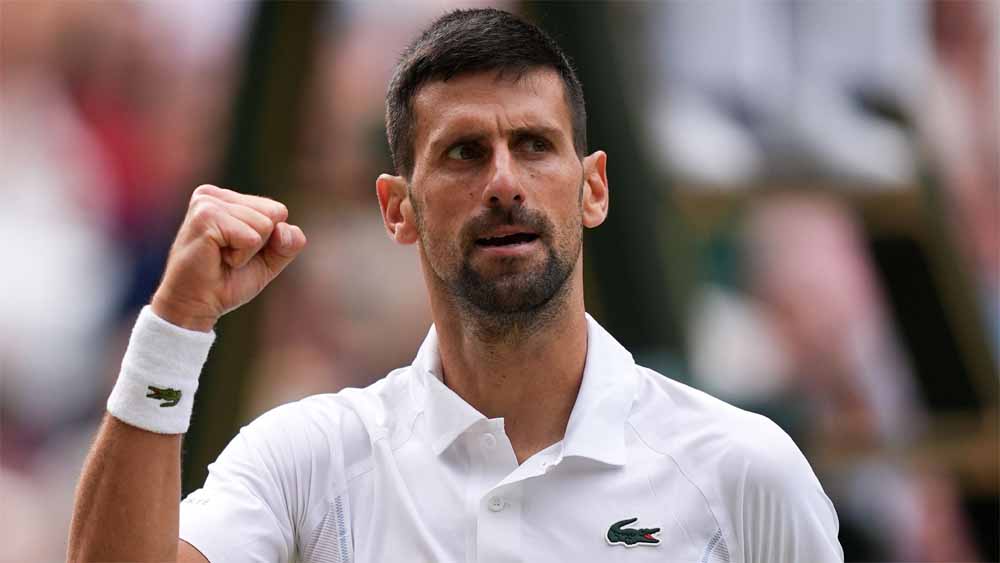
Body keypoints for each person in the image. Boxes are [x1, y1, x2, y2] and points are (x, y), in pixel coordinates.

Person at [69, 8, 843, 562]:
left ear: (593, 188)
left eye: (534, 144)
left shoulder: (743, 469)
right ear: (396, 208)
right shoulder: (311, 459)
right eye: (464, 152)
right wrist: (174, 326)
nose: (504, 181)